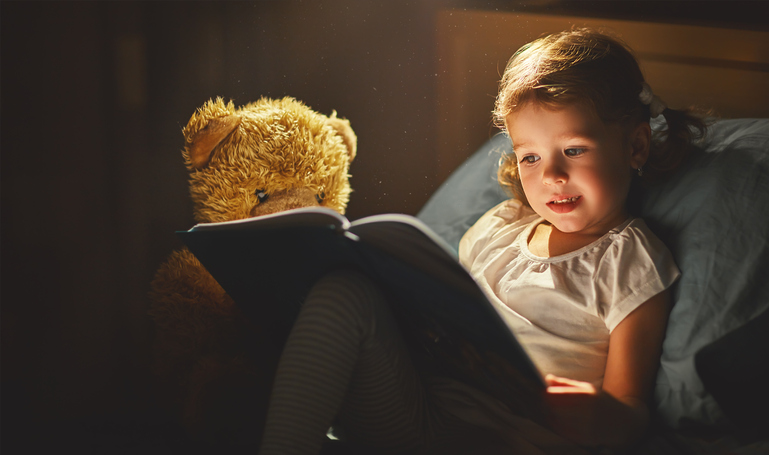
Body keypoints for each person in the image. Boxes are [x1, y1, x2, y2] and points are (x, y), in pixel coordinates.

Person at [258, 28, 706, 455]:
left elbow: (630, 412)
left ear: (636, 147)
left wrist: (594, 411)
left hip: (517, 441)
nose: (551, 175)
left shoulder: (631, 260)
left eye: (574, 150)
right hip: (424, 414)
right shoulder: (500, 227)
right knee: (344, 291)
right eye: (530, 156)